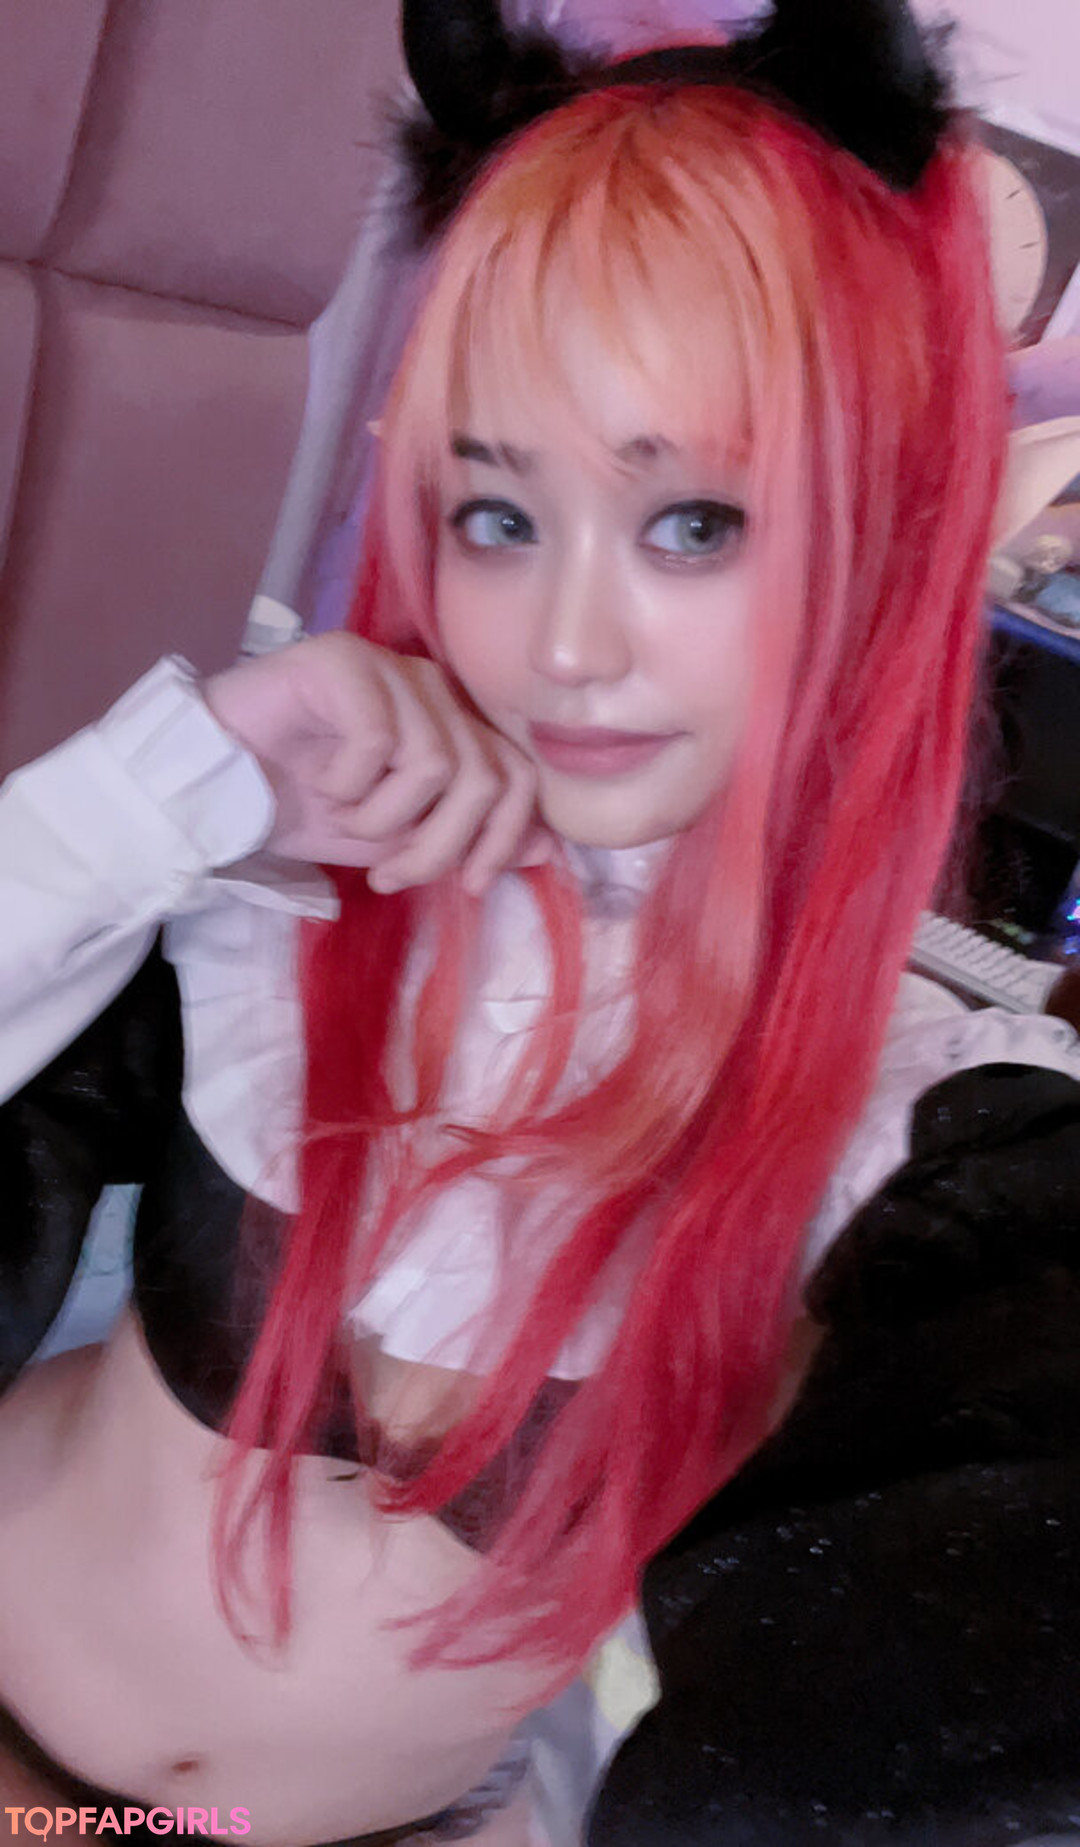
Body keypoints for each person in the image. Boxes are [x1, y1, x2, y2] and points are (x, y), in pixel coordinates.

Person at [2, 2, 1080, 1843]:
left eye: (694, 524)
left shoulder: (937, 1141)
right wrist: (176, 787)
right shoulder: (276, 889)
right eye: (497, 515)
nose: (563, 646)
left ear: (889, 539)